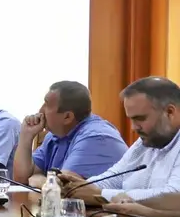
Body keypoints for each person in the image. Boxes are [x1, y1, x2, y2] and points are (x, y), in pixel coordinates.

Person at [59, 77, 180, 205]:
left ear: (169, 112)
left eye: (140, 118)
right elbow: (115, 177)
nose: (134, 128)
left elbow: (174, 196)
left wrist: (100, 195)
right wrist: (76, 187)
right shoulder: (146, 141)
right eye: (131, 119)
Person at [13, 81, 127, 187]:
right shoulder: (55, 135)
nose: (40, 111)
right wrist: (26, 136)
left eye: (47, 105)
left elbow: (63, 187)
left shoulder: (96, 137)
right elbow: (22, 179)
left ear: (67, 117)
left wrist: (38, 177)